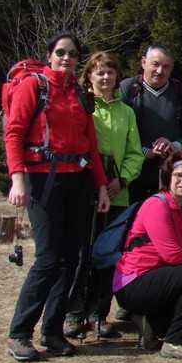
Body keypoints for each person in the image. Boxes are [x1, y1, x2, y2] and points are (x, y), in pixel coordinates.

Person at [5, 31, 111, 361]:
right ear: (49, 54)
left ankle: (52, 332)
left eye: (73, 54)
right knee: (48, 260)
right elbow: (15, 133)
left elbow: (90, 145)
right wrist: (17, 179)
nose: (67, 58)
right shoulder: (33, 87)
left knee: (70, 261)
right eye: (61, 52)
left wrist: (102, 186)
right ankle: (19, 333)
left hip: (77, 184)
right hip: (42, 182)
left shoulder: (79, 94)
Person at [64, 52, 144, 339]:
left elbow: (135, 152)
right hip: (84, 191)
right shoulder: (81, 104)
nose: (106, 77)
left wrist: (120, 179)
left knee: (107, 255)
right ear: (89, 76)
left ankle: (99, 314)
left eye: (111, 72)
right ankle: (73, 314)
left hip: (117, 193)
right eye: (100, 72)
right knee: (81, 254)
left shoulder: (126, 112)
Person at [113, 150, 182, 359]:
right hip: (135, 280)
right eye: (179, 176)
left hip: (158, 278)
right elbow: (173, 255)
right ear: (168, 177)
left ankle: (151, 322)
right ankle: (175, 342)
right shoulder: (157, 205)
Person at [120, 44, 182, 204]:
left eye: (166, 66)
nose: (159, 71)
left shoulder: (180, 92)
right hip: (133, 180)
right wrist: (145, 151)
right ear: (143, 62)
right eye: (155, 64)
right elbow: (118, 134)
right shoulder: (128, 89)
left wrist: (173, 146)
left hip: (171, 181)